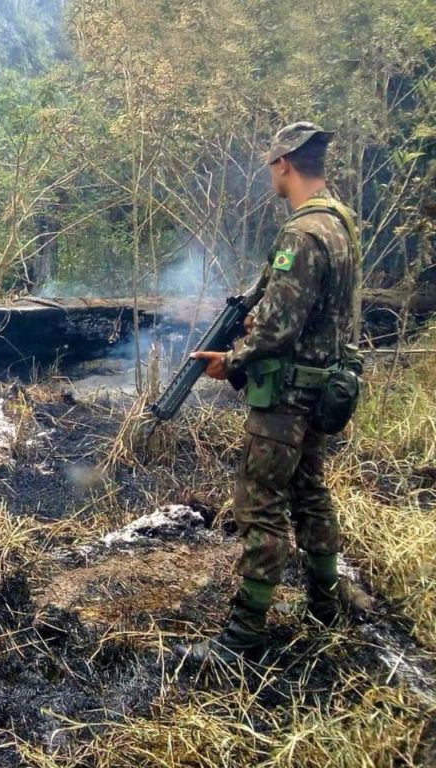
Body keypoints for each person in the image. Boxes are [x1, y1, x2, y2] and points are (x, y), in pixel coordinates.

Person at [175, 122, 364, 663]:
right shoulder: (341, 223)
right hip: (320, 389)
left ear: (284, 163)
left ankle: (242, 638)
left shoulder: (302, 234)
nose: (270, 175)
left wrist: (229, 362)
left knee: (259, 506)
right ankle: (326, 606)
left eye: (271, 166)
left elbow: (278, 328)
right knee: (310, 493)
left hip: (283, 398)